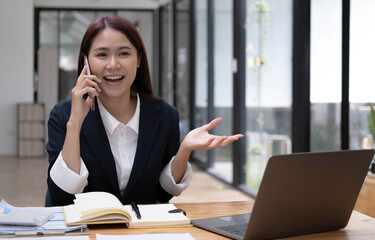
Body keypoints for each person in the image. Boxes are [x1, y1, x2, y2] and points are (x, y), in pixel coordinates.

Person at [46, 15, 243, 206]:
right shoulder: (63, 116)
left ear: (138, 59)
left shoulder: (165, 115)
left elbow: (162, 193)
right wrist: (75, 123)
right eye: (102, 54)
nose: (113, 64)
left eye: (124, 53)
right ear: (86, 63)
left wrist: (184, 150)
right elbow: (62, 197)